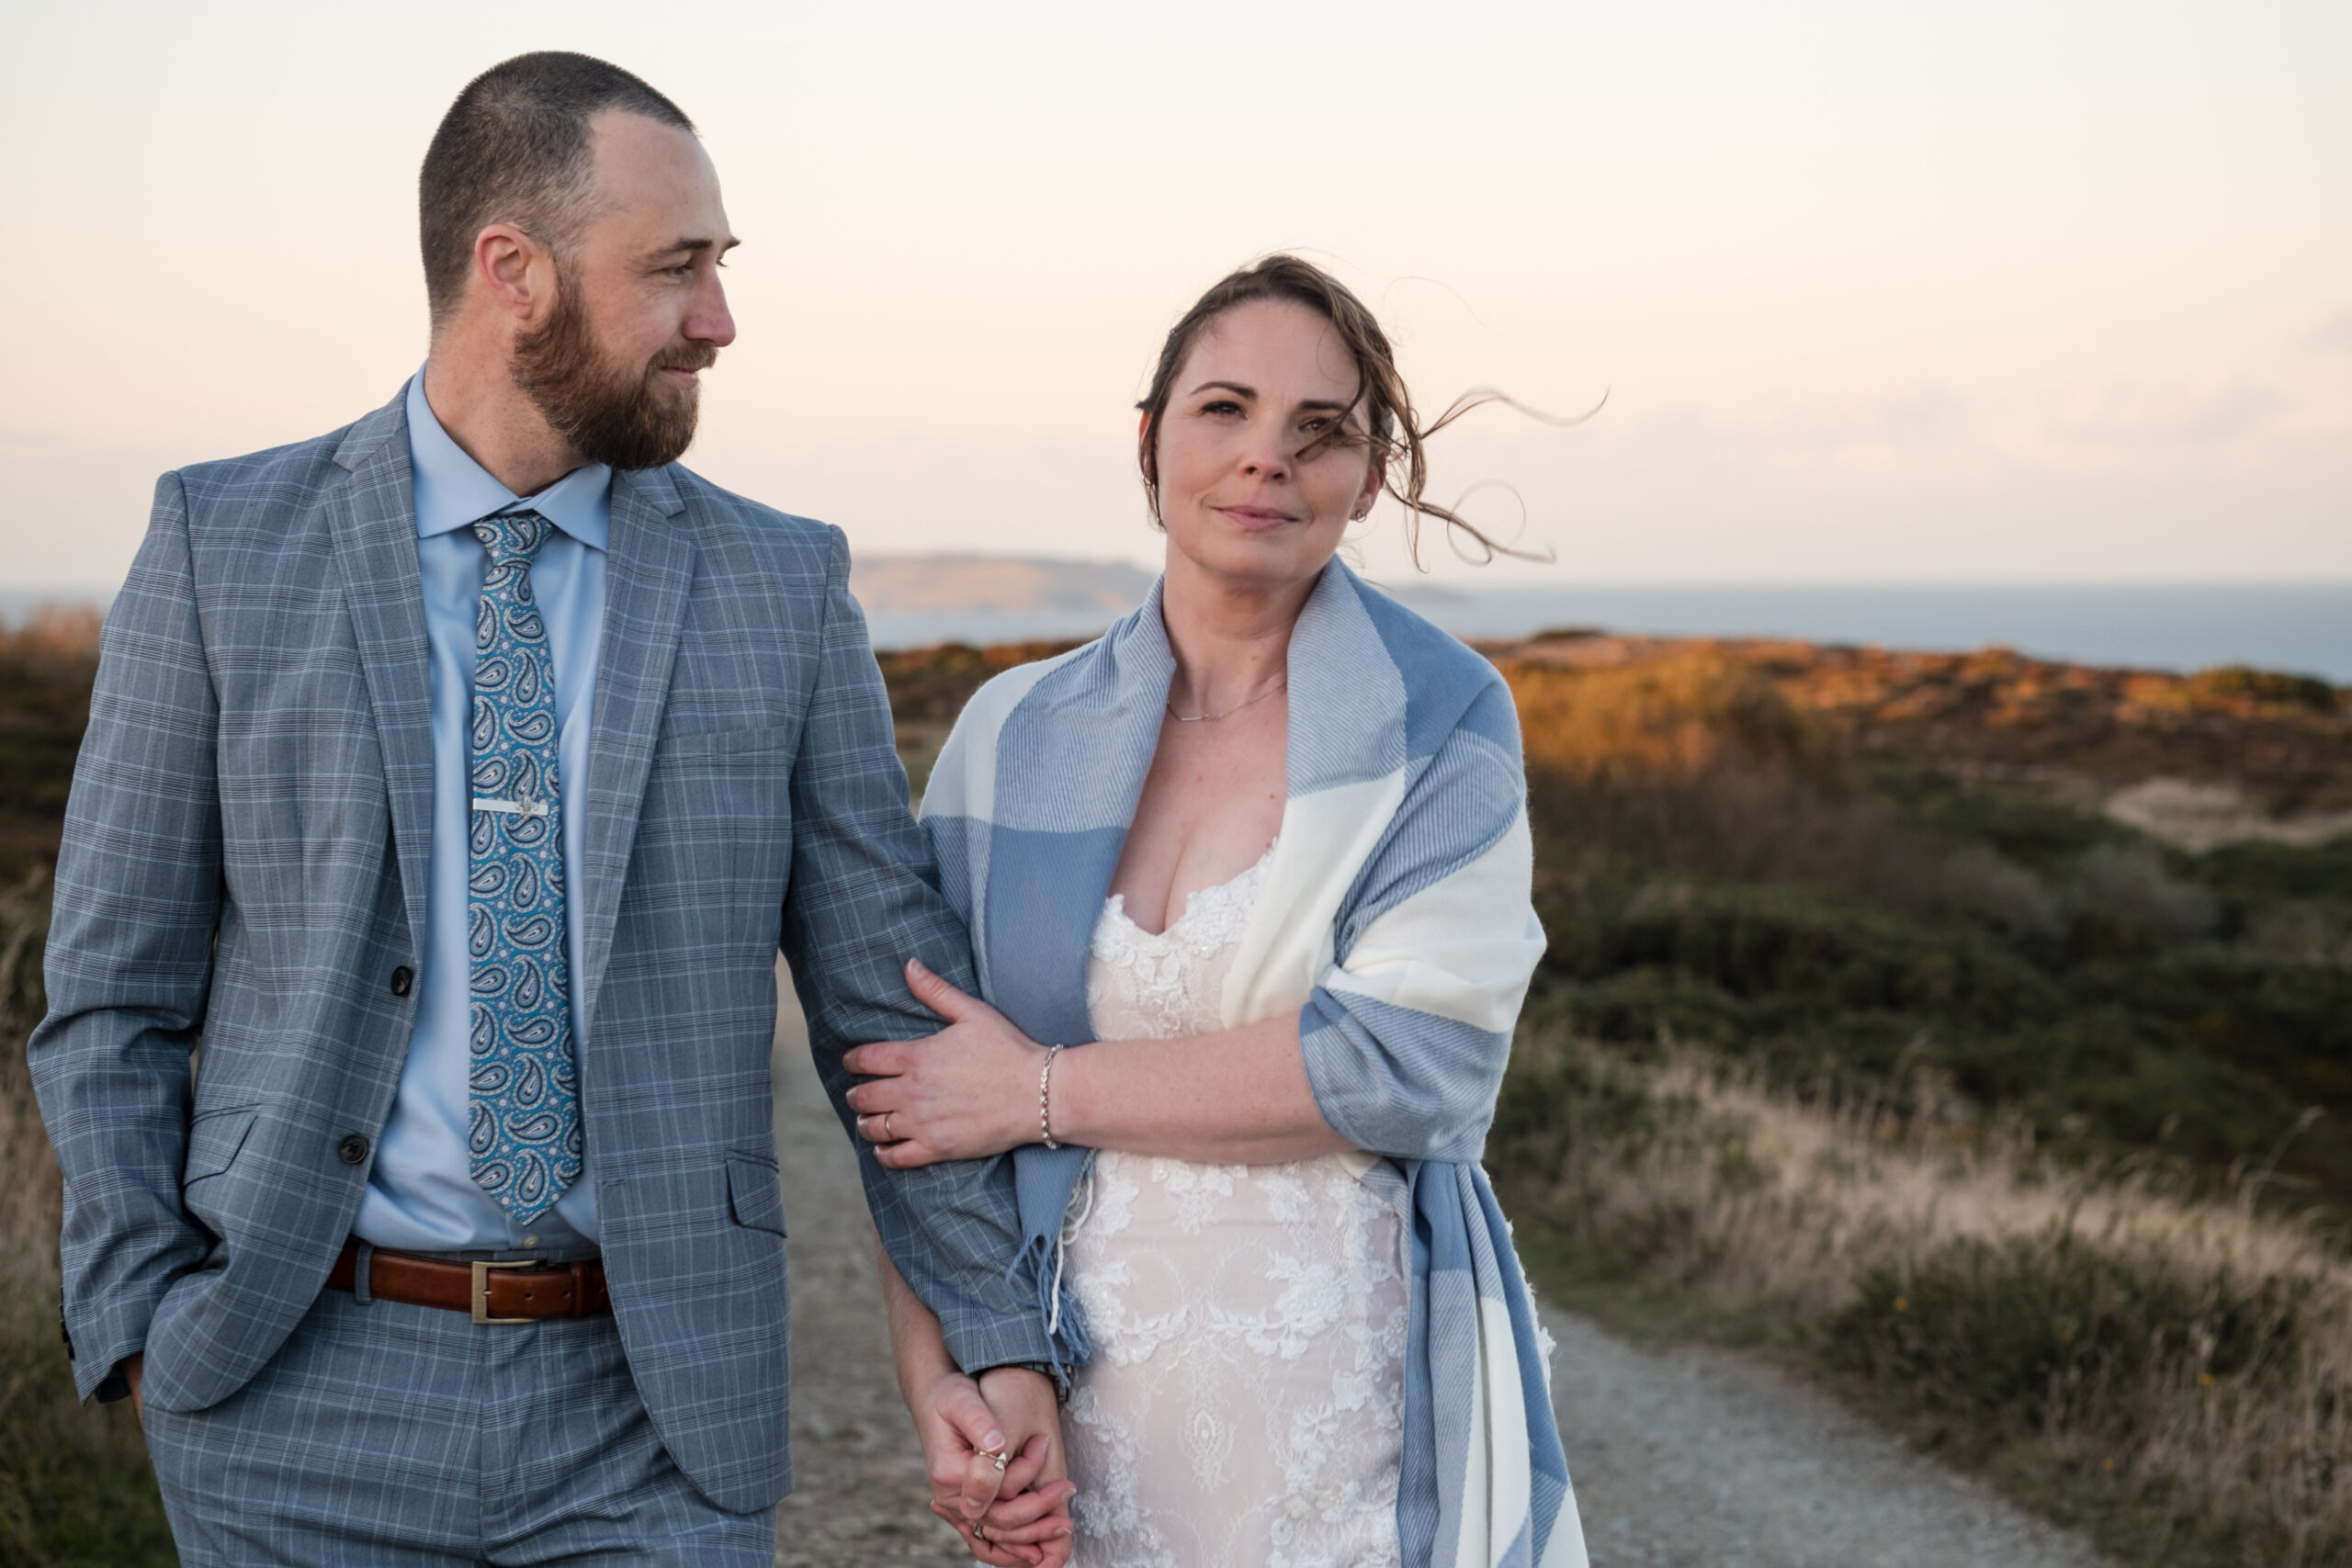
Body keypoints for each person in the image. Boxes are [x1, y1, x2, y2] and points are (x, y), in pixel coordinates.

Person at [29, 51, 1068, 1566]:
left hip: (653, 1414)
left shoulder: (782, 587)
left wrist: (995, 1335)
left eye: (721, 266)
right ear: (510, 271)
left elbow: (885, 1019)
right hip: (286, 1395)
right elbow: (111, 992)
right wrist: (138, 1322)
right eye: (676, 270)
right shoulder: (221, 543)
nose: (720, 319)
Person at [843, 255, 1589, 1567]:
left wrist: (1044, 1095)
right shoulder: (1009, 733)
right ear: (1149, 442)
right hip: (1080, 1416)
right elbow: (920, 1106)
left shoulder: (1445, 720)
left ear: (1368, 476)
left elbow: (1412, 1063)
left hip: (1350, 1419)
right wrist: (951, 1381)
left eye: (1322, 432)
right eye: (1225, 411)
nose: (1267, 462)